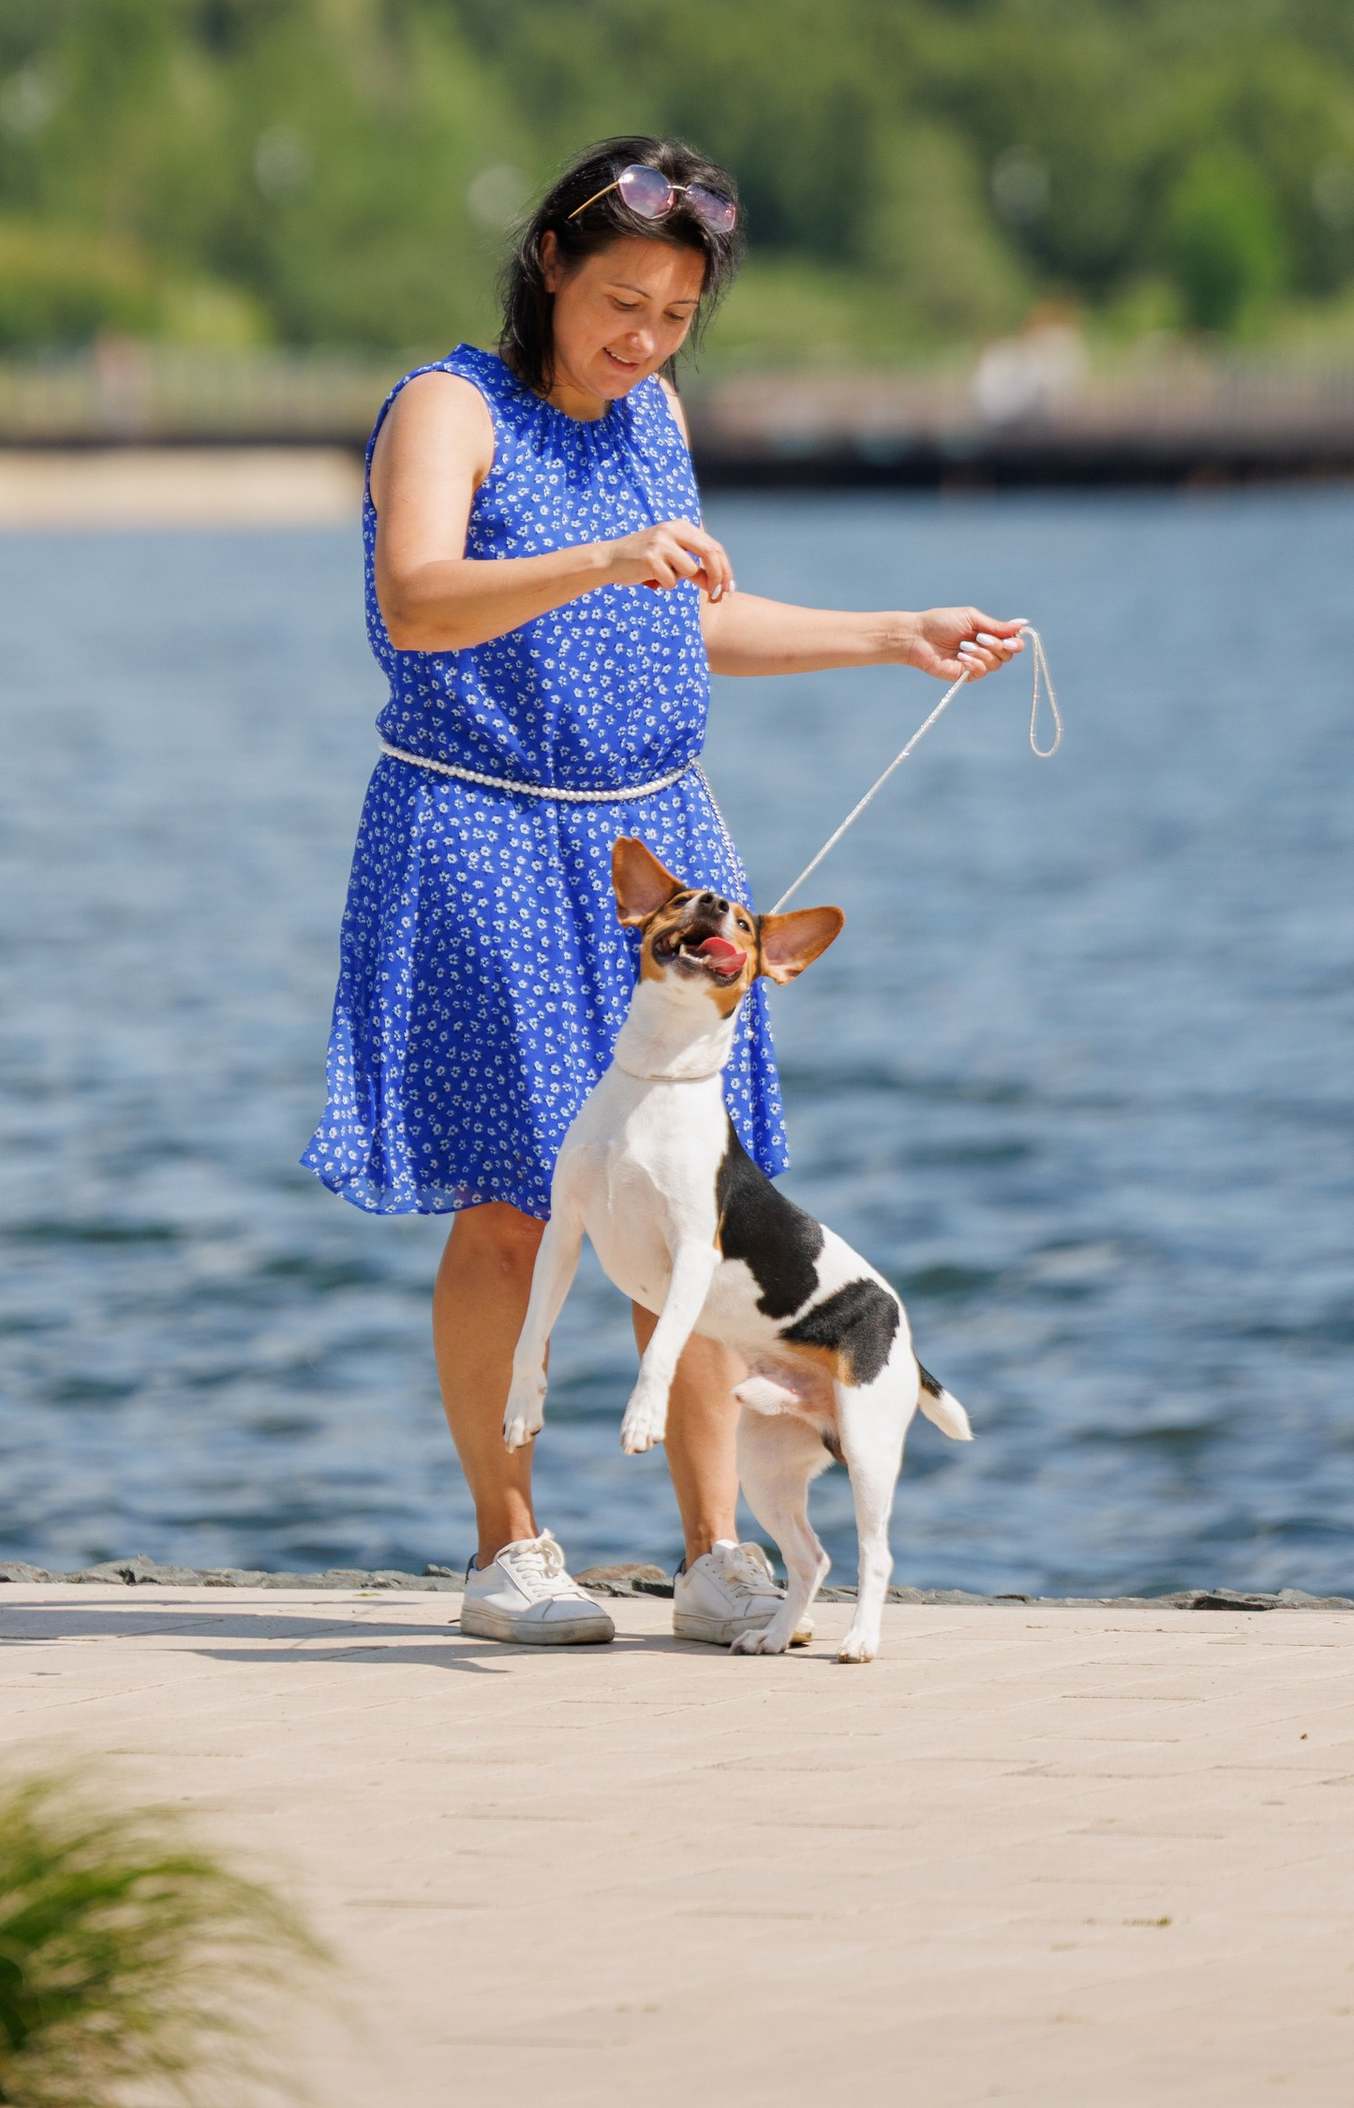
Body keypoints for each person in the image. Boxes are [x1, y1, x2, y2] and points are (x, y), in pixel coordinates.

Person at [301, 136, 1025, 1650]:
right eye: (621, 298)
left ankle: (715, 1557)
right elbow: (416, 598)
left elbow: (693, 624)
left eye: (678, 314)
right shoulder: (452, 406)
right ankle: (511, 1549)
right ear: (549, 266)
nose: (643, 336)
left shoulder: (655, 416)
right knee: (514, 1204)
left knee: (682, 1203)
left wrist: (895, 630)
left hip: (658, 851)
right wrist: (601, 552)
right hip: (485, 840)